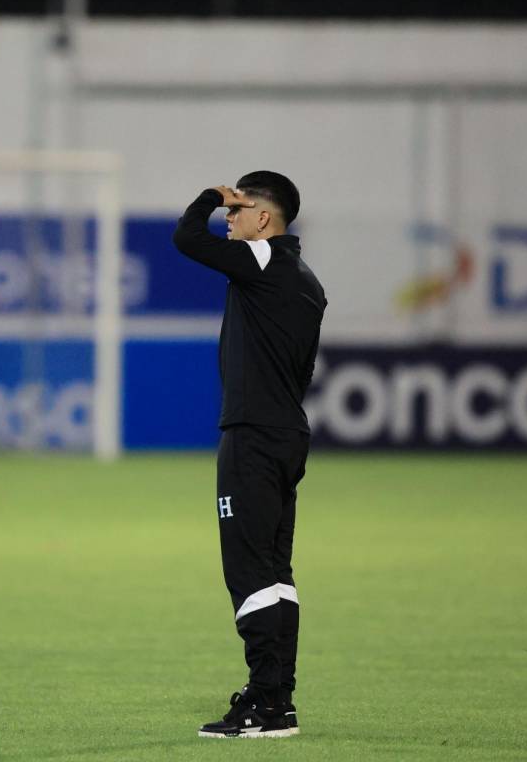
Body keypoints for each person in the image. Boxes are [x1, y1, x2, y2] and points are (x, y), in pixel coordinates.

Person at [172, 171, 326, 739]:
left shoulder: (262, 259)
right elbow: (303, 368)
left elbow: (187, 238)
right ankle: (279, 701)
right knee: (276, 574)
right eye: (228, 207)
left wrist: (211, 195)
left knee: (249, 571)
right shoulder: (308, 282)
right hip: (287, 433)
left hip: (254, 436)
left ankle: (264, 702)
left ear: (266, 219)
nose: (229, 218)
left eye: (239, 207)